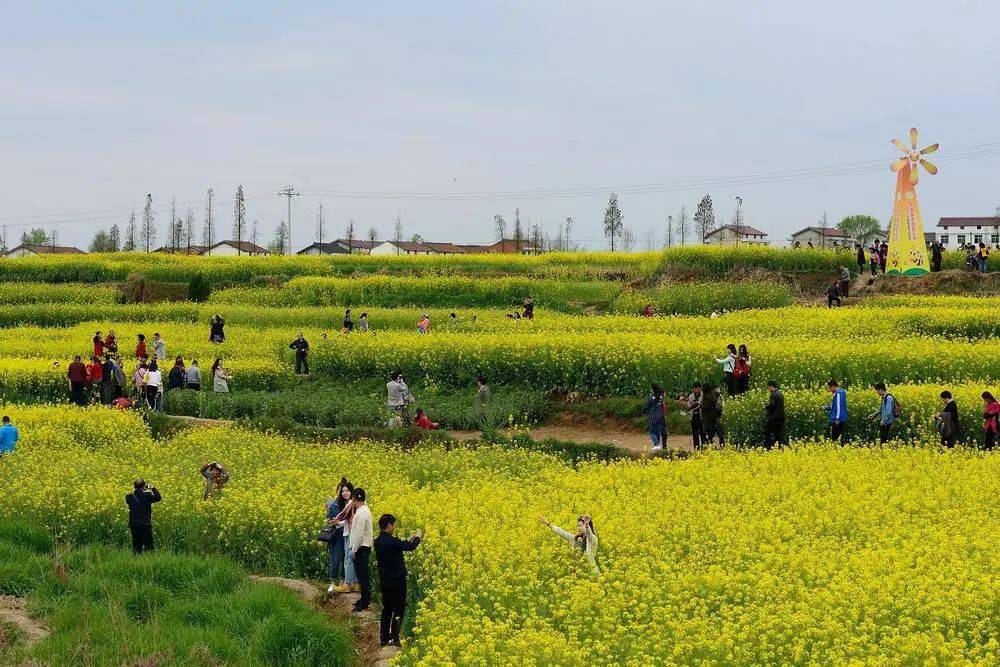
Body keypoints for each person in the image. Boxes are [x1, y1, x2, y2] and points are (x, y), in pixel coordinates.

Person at [374, 514, 422, 647]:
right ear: (389, 526)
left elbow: (398, 545)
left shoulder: (378, 541)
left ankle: (383, 638)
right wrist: (418, 537)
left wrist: (408, 538)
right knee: (399, 609)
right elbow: (410, 547)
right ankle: (395, 637)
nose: (394, 527)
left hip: (385, 581)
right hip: (398, 581)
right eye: (394, 525)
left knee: (387, 609)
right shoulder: (392, 542)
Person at [326, 479, 355, 593]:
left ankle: (342, 581)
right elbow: (329, 520)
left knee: (346, 559)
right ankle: (333, 582)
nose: (343, 493)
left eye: (346, 491)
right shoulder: (333, 505)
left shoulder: (350, 503)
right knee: (336, 559)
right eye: (342, 491)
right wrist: (332, 521)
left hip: (347, 534)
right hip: (337, 535)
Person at [349, 488, 374, 613]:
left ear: (353, 499)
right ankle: (364, 599)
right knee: (362, 576)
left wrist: (354, 549)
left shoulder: (362, 513)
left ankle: (365, 602)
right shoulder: (363, 510)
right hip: (362, 547)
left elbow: (359, 533)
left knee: (363, 576)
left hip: (361, 548)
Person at [125, 479, 161, 554]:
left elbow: (130, 501)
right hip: (145, 524)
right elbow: (158, 498)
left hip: (134, 524)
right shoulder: (147, 495)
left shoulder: (129, 497)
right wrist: (152, 488)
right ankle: (149, 562)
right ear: (144, 486)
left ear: (134, 486)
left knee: (136, 546)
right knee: (149, 546)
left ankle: (136, 561)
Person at [644, 384, 667, 453]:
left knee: (652, 432)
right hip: (660, 417)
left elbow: (647, 406)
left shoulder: (652, 398)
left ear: (653, 390)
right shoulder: (661, 398)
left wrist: (643, 410)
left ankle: (657, 444)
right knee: (657, 432)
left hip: (653, 417)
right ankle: (657, 448)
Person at [763, 380, 785, 448]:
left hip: (773, 418)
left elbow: (772, 406)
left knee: (767, 432)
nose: (768, 389)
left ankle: (768, 447)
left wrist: (765, 406)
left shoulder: (774, 395)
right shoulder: (780, 394)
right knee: (778, 434)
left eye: (768, 387)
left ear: (772, 386)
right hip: (781, 417)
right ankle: (778, 447)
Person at [686, 383, 705, 450]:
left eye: (697, 389)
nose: (695, 390)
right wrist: (691, 405)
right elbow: (688, 404)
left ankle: (704, 448)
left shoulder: (703, 395)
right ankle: (696, 449)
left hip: (701, 417)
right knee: (695, 434)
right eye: (694, 389)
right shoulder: (691, 396)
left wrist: (698, 404)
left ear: (700, 388)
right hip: (693, 417)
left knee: (703, 433)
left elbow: (702, 404)